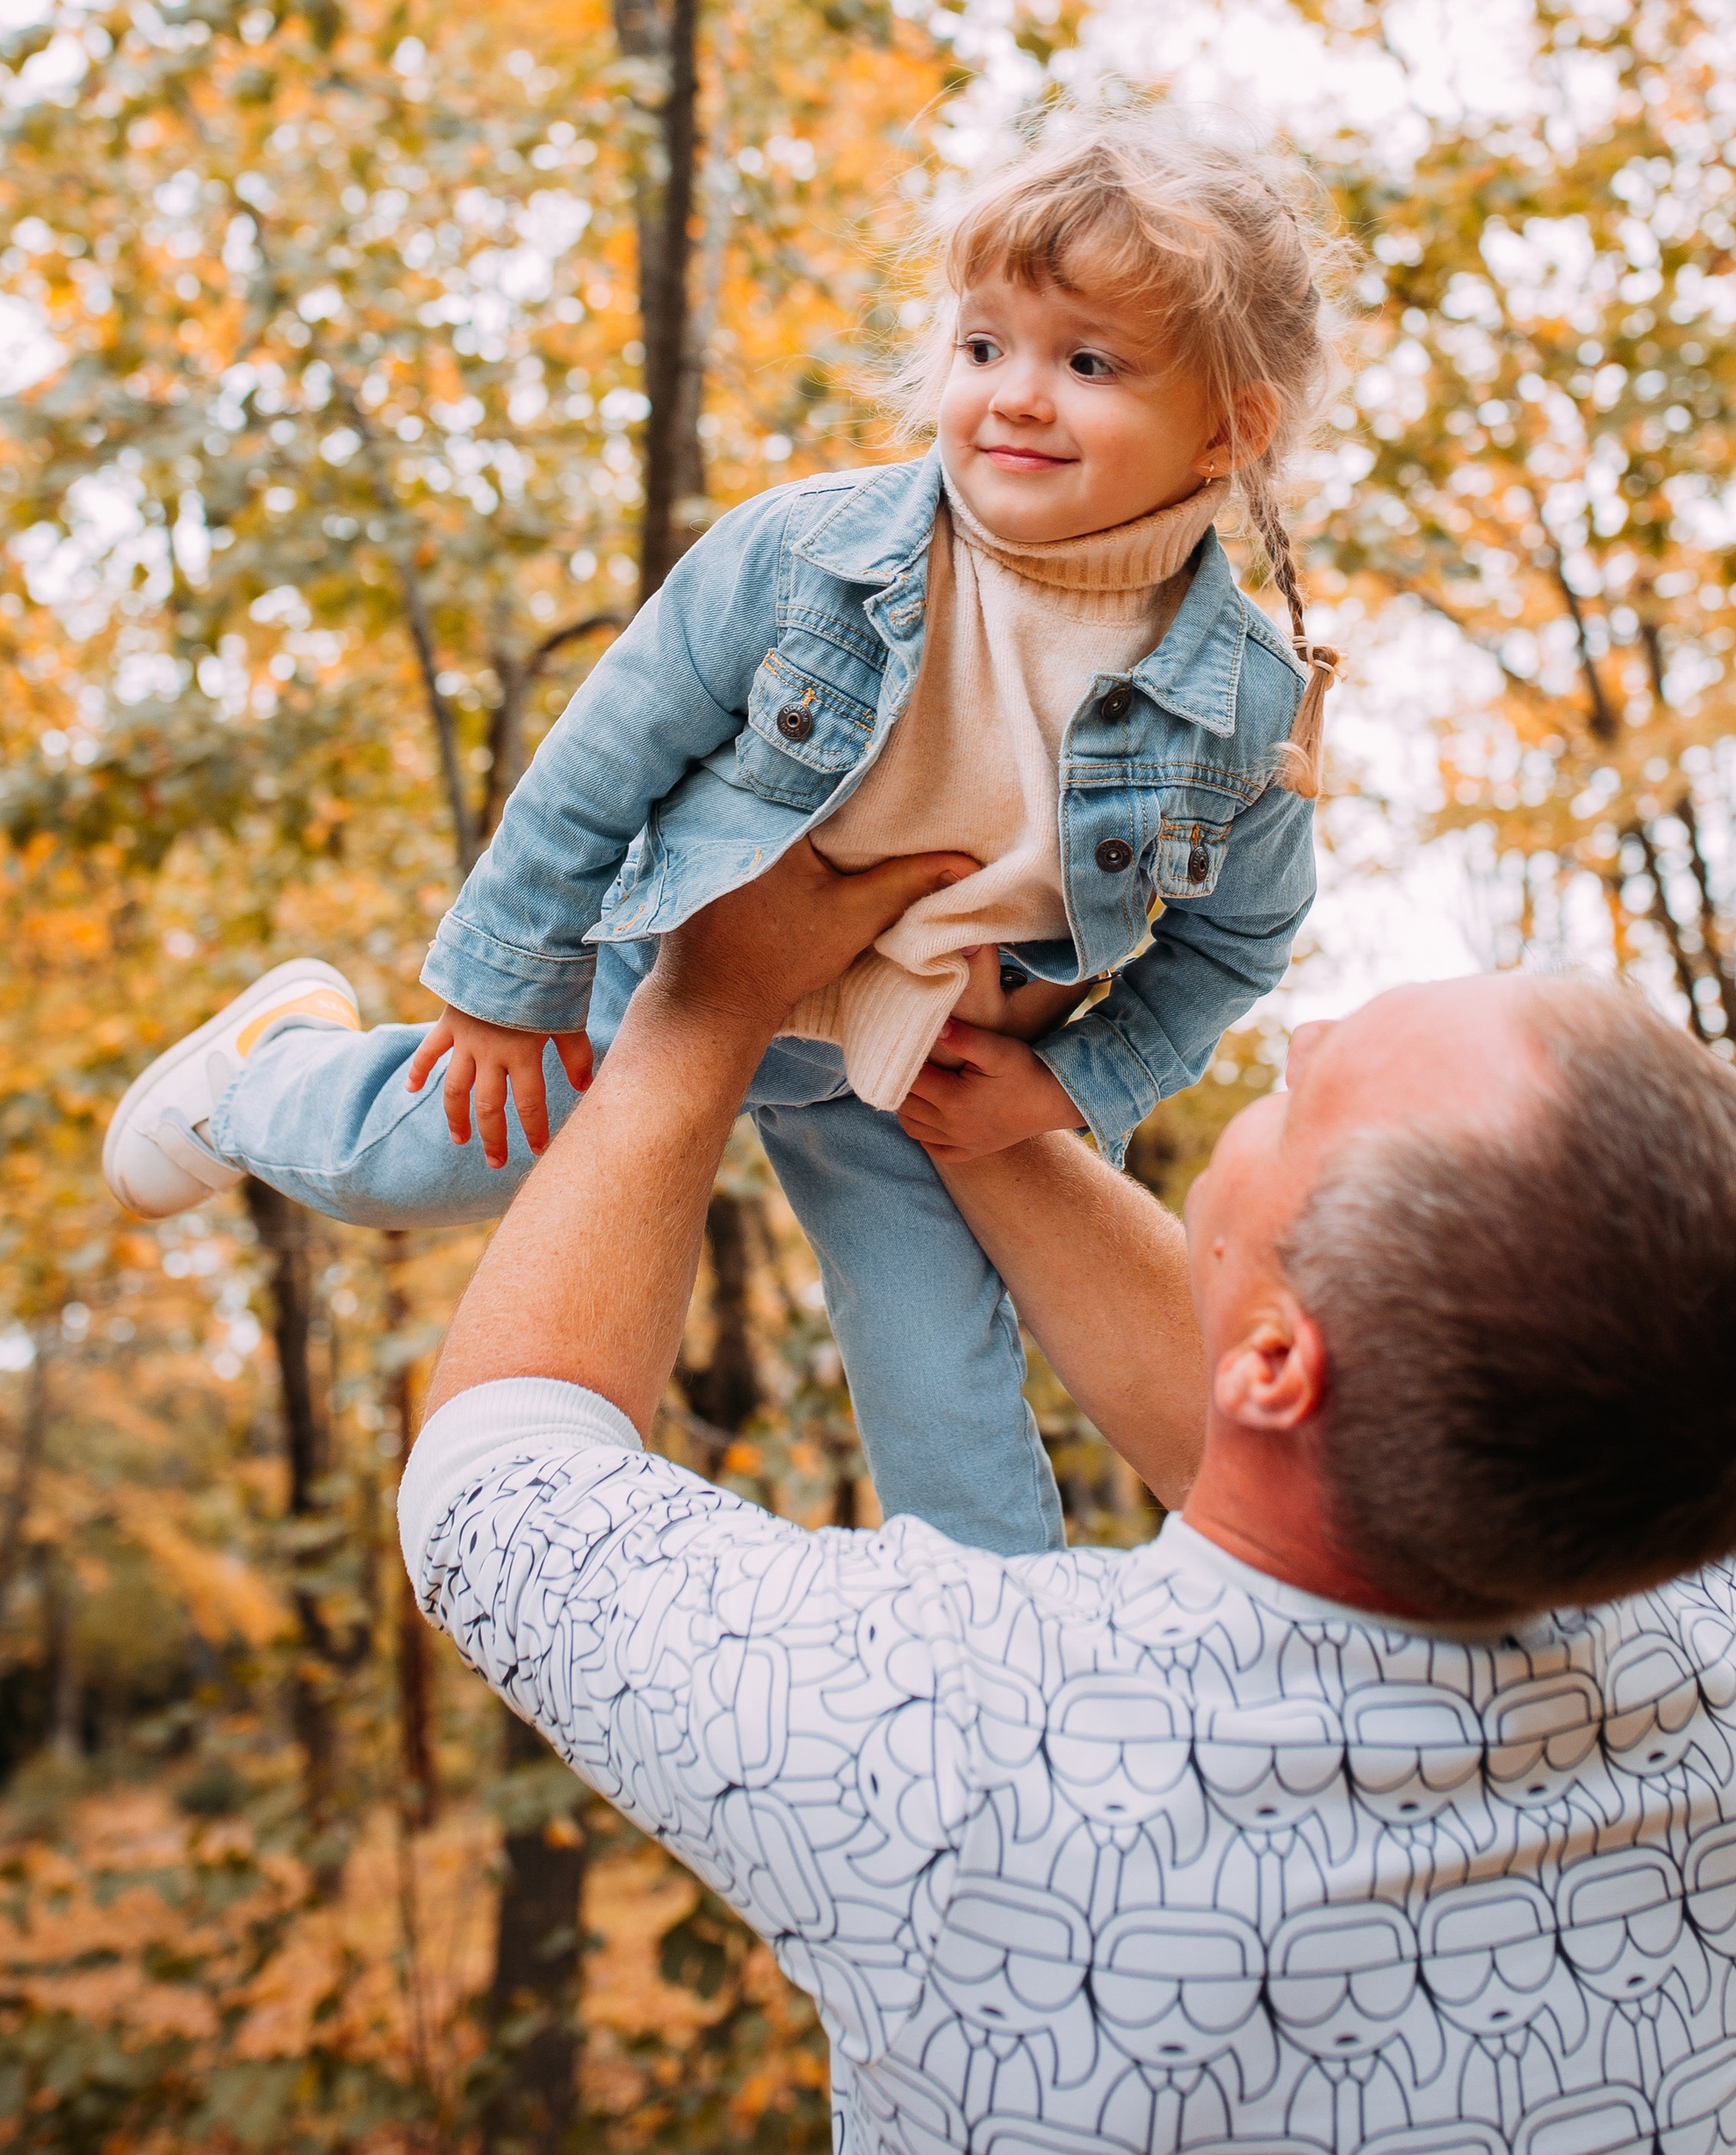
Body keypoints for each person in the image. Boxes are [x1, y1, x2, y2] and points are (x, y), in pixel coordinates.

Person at [401, 835, 1736, 2155]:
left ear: (1281, 1362)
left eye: (1314, 1094)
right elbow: (1311, 1431)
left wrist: (703, 1011)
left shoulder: (970, 1748)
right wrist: (955, 1099)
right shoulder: (1692, 1636)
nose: (1302, 1034)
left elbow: (494, 1490)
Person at [102, 112, 1344, 1553]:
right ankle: (259, 1077)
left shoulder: (1245, 710)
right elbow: (602, 759)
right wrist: (509, 985)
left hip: (907, 1064)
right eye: (983, 345)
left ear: (1229, 426)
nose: (1015, 396)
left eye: (1089, 364)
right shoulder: (807, 555)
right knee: (421, 1162)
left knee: (944, 1388)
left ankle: (989, 1650)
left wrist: (1069, 1087)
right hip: (676, 970)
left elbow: (1238, 941)